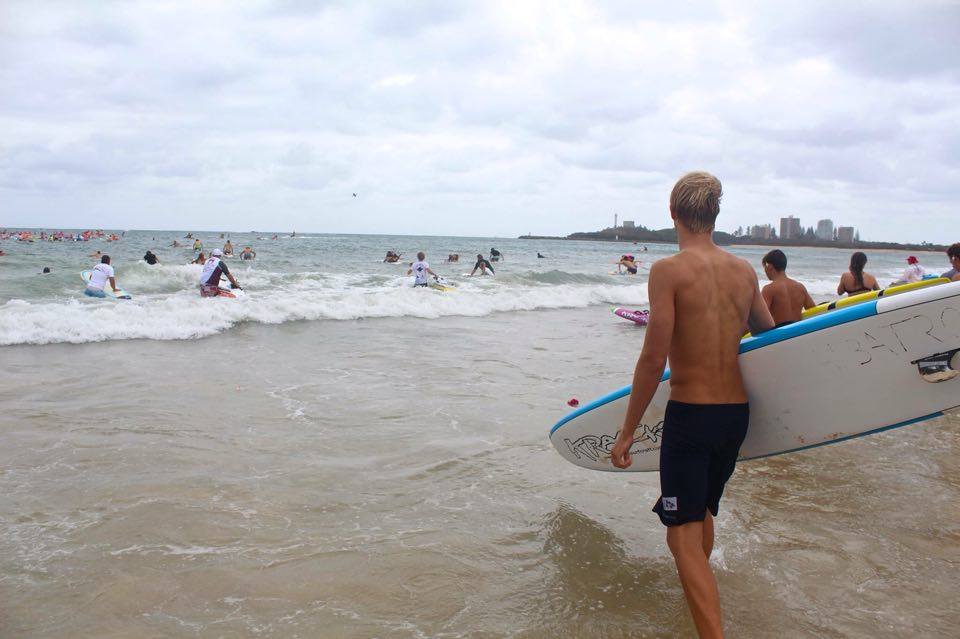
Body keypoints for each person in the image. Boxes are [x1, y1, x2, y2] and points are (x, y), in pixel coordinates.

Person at [610, 172, 775, 639]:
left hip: (693, 416)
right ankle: (703, 600)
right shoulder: (743, 270)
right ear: (715, 215)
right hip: (735, 415)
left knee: (680, 535)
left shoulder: (668, 270)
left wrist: (627, 432)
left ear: (674, 214)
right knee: (699, 512)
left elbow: (652, 357)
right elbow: (768, 330)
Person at [760, 249, 815, 326]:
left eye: (764, 266)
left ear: (770, 267)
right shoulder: (800, 287)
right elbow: (813, 311)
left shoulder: (769, 289)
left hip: (780, 336)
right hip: (798, 334)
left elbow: (760, 317)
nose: (764, 270)